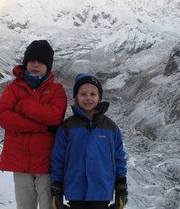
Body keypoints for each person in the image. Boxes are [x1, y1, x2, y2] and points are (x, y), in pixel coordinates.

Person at [0, 40, 67, 209]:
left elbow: (55, 116)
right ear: (26, 63)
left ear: (48, 66)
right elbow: (4, 117)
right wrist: (40, 127)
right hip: (19, 162)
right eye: (32, 60)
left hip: (47, 162)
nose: (36, 64)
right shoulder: (13, 87)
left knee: (49, 206)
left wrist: (24, 106)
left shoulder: (57, 90)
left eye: (41, 61)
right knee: (24, 206)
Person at [50, 73, 128, 209]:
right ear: (76, 97)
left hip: (101, 191)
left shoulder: (110, 128)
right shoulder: (67, 127)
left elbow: (119, 158)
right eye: (83, 94)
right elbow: (58, 159)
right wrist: (56, 188)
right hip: (75, 191)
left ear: (99, 97)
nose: (88, 98)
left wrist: (121, 188)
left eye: (93, 94)